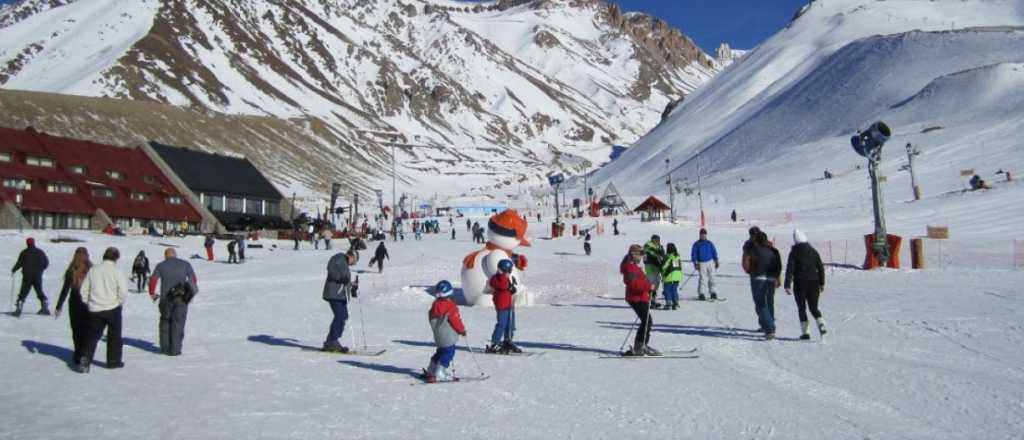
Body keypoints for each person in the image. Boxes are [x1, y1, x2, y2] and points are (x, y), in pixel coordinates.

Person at [78, 247, 128, 373]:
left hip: (95, 308)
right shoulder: (117, 271)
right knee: (114, 336)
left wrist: (88, 302)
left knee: (92, 336)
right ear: (116, 258)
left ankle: (85, 358)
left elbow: (84, 289)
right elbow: (123, 291)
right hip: (113, 307)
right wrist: (119, 302)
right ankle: (113, 361)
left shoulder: (93, 270)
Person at [149, 248, 199, 356]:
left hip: (165, 299)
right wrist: (189, 293)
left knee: (165, 322)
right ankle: (175, 349)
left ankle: (164, 348)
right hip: (181, 299)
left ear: (165, 256)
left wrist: (152, 293)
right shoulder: (185, 264)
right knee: (178, 323)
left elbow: (153, 280)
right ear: (175, 255)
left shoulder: (160, 265)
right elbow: (193, 279)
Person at [785, 230, 827, 340]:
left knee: (802, 308)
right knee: (813, 307)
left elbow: (790, 269)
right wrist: (822, 283)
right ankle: (821, 324)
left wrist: (787, 284)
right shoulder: (813, 251)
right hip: (814, 283)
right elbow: (821, 267)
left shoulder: (794, 253)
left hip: (800, 283)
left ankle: (806, 333)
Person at [54, 247, 91, 368]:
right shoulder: (91, 269)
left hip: (75, 302)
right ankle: (85, 354)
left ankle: (78, 354)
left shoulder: (71, 270)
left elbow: (65, 290)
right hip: (88, 303)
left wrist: (59, 306)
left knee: (76, 329)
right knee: (87, 330)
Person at [423, 280, 466, 382]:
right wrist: (462, 330)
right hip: (448, 336)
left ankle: (431, 369)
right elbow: (455, 320)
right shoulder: (451, 307)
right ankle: (440, 371)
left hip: (438, 335)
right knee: (448, 352)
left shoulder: (435, 305)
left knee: (440, 351)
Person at [744, 232, 782, 340]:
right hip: (771, 279)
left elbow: (747, 263)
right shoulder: (774, 250)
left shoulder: (753, 249)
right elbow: (779, 265)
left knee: (761, 303)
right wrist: (777, 277)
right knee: (769, 301)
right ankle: (768, 325)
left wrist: (750, 271)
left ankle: (770, 328)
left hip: (758, 278)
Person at [621, 244, 658, 356]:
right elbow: (633, 284)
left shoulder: (633, 266)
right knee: (647, 321)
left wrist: (649, 286)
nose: (641, 258)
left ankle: (642, 345)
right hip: (635, 298)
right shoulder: (630, 267)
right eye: (639, 255)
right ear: (633, 255)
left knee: (647, 321)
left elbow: (641, 280)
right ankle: (639, 346)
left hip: (641, 297)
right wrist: (648, 287)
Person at [322, 249, 358, 352]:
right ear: (351, 256)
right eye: (354, 261)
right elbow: (331, 269)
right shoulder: (339, 258)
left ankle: (330, 341)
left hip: (340, 295)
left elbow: (344, 280)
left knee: (343, 316)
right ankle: (332, 341)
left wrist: (352, 285)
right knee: (340, 316)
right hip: (334, 294)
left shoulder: (344, 263)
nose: (353, 264)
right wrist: (341, 278)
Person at [486, 259, 520, 354]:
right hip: (502, 306)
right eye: (508, 271)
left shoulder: (504, 278)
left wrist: (511, 288)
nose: (509, 273)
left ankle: (507, 340)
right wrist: (509, 285)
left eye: (510, 271)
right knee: (501, 324)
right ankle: (494, 343)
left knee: (510, 325)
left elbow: (506, 287)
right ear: (503, 270)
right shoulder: (497, 278)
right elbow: (502, 285)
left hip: (508, 304)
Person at [11, 237, 50, 317]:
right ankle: (45, 306)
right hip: (37, 276)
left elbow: (19, 263)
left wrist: (14, 269)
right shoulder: (40, 252)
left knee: (24, 291)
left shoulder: (24, 252)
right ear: (34, 243)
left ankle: (19, 308)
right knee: (39, 290)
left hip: (27, 275)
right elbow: (46, 262)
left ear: (27, 244)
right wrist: (40, 269)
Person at [691, 229, 720, 301]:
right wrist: (695, 263)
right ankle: (701, 293)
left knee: (712, 278)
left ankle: (713, 292)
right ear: (700, 235)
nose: (703, 236)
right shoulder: (697, 244)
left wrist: (716, 260)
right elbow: (693, 254)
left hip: (710, 262)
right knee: (702, 279)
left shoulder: (709, 243)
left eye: (704, 234)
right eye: (702, 234)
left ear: (706, 235)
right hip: (701, 263)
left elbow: (714, 252)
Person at [643, 234, 666, 308]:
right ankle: (649, 301)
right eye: (656, 240)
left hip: (656, 267)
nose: (658, 241)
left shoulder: (658, 246)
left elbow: (661, 255)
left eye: (658, 240)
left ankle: (653, 300)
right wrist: (658, 254)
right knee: (652, 283)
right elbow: (651, 253)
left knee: (656, 282)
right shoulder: (648, 245)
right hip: (650, 267)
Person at [661, 243, 683, 310]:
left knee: (667, 290)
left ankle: (668, 303)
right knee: (674, 289)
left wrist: (662, 271)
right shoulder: (677, 256)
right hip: (677, 275)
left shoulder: (668, 256)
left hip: (670, 275)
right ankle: (675, 303)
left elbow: (664, 266)